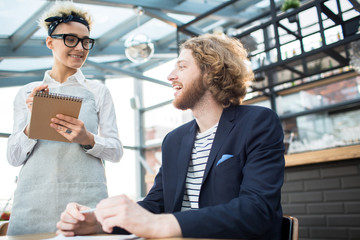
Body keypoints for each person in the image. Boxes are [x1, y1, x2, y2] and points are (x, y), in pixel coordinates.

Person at [56, 33, 284, 239]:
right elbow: (155, 205)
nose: (170, 76)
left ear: (211, 72)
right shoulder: (174, 140)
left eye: (182, 67)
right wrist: (98, 222)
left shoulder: (258, 122)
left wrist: (160, 225)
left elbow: (257, 210)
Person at [6, 2, 123, 235]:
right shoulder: (28, 92)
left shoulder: (99, 91)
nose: (80, 47)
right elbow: (13, 157)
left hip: (84, 204)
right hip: (33, 202)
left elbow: (116, 151)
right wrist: (32, 123)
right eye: (70, 39)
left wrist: (87, 138)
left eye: (86, 41)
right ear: (50, 42)